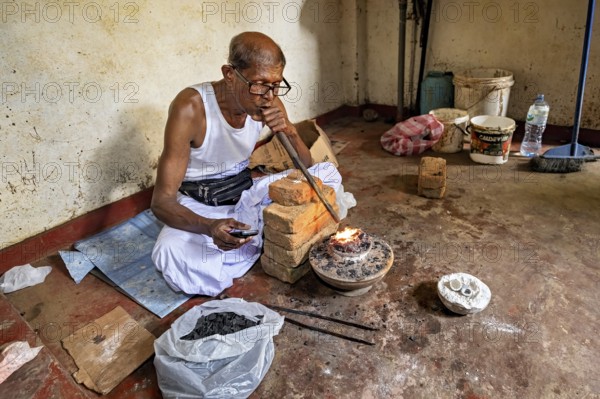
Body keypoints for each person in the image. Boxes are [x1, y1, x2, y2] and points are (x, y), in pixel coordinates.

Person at [151, 32, 342, 296]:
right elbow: (161, 203)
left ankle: (259, 237)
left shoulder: (269, 98)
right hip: (203, 206)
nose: (268, 95)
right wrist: (210, 227)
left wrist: (289, 131)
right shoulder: (192, 107)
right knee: (172, 254)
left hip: (246, 195)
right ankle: (264, 237)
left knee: (326, 174)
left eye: (276, 85)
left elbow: (306, 168)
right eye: (260, 84)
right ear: (230, 74)